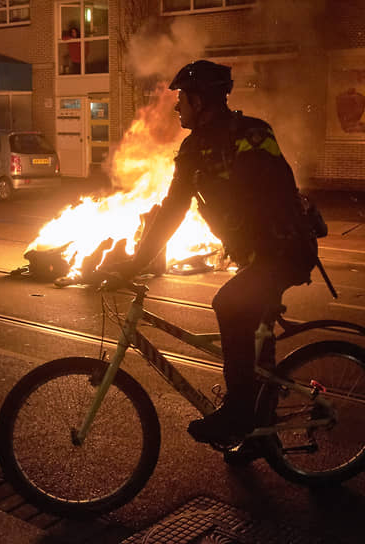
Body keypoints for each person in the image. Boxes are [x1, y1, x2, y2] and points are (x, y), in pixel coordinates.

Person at [113, 60, 319, 445]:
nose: (176, 107)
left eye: (182, 99)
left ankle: (240, 414)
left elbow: (271, 194)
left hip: (285, 248)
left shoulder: (252, 135)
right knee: (257, 340)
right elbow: (173, 209)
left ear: (200, 100)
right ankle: (261, 434)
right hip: (258, 255)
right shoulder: (195, 149)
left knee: (229, 304)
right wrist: (137, 261)